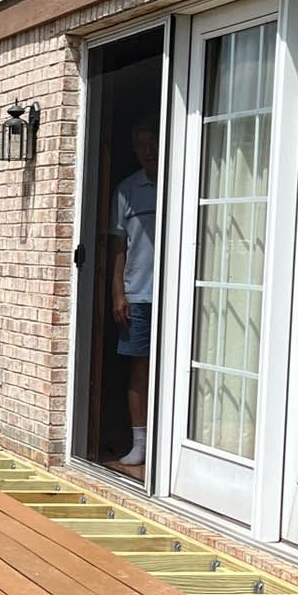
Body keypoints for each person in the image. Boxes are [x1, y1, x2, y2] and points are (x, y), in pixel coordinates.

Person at [111, 115, 159, 468]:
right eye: (141, 144)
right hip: (138, 293)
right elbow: (118, 246)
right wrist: (118, 293)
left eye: (153, 142)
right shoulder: (127, 190)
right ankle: (139, 442)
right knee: (139, 370)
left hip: (177, 294)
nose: (148, 151)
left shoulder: (183, 179)